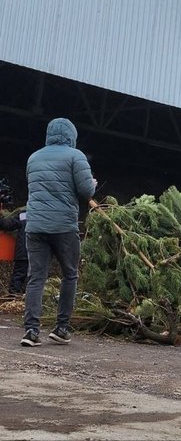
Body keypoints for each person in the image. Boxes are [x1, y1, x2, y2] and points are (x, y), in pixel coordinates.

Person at [22, 118, 96, 347]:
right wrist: (92, 183)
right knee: (70, 274)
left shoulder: (33, 157)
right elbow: (85, 190)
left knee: (36, 277)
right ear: (71, 136)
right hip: (63, 225)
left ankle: (31, 331)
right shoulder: (76, 156)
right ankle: (62, 328)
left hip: (34, 226)